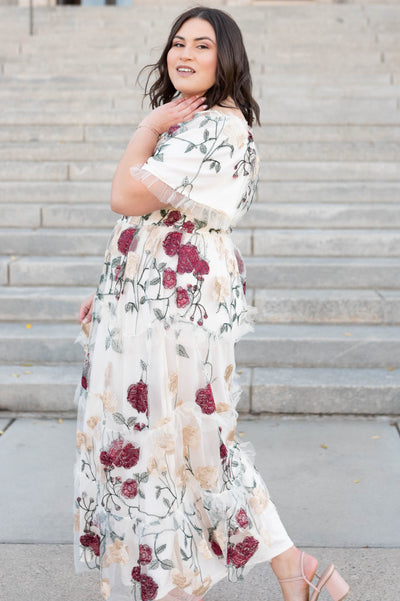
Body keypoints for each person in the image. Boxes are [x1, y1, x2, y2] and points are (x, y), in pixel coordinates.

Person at [73, 7, 350, 601]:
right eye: (178, 43)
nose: (185, 54)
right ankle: (290, 569)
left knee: (177, 443)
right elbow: (153, 219)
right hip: (151, 300)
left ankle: (182, 584)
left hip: (173, 313)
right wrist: (110, 290)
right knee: (185, 444)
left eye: (203, 45)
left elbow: (124, 196)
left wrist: (145, 127)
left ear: (227, 58)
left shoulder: (217, 129)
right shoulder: (192, 123)